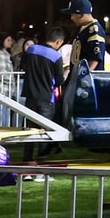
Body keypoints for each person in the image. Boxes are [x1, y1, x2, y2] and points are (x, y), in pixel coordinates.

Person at [19, 27, 68, 160]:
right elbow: (58, 80)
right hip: (46, 98)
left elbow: (23, 64)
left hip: (30, 97)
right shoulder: (56, 56)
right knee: (44, 133)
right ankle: (41, 168)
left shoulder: (32, 49)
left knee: (30, 132)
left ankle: (26, 163)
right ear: (58, 41)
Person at [61, 0, 107, 71]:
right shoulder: (82, 28)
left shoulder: (94, 30)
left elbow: (95, 59)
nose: (71, 18)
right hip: (77, 75)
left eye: (73, 14)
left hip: (87, 80)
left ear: (80, 15)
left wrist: (83, 76)